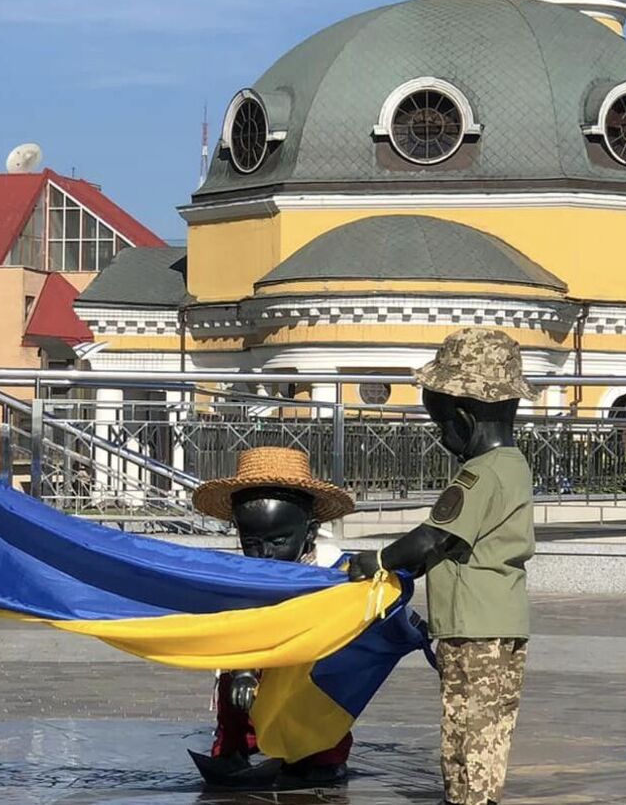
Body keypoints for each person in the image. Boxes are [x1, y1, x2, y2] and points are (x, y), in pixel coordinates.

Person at [346, 328, 535, 805]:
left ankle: (469, 800)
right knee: (488, 723)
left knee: (468, 726)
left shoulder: (479, 473)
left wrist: (379, 560)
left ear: (464, 419)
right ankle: (475, 796)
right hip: (500, 618)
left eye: (441, 423)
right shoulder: (513, 465)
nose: (441, 435)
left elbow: (435, 536)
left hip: (474, 627)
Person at [187, 445, 356, 790]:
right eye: (251, 542)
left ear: (309, 532)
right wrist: (245, 668)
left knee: (316, 697)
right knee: (233, 682)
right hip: (254, 665)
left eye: (279, 540)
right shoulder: (241, 574)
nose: (264, 553)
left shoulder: (332, 572)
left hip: (309, 676)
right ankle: (233, 748)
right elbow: (241, 622)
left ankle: (319, 755)